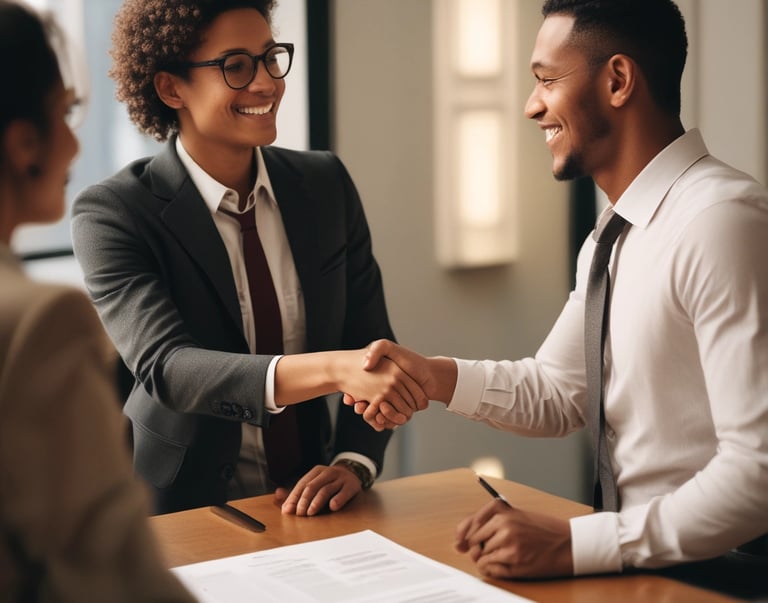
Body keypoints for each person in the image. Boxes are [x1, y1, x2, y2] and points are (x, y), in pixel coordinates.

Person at [349, 0, 768, 590]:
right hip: (637, 569)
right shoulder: (611, 235)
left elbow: (758, 473)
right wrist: (431, 376)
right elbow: (559, 391)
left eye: (546, 80)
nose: (531, 106)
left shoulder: (721, 222)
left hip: (723, 578)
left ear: (618, 81)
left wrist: (576, 541)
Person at [70, 0, 425, 517]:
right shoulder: (113, 212)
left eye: (270, 57)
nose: (267, 83)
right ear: (171, 88)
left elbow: (371, 347)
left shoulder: (325, 185)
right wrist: (333, 370)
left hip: (309, 503)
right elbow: (170, 368)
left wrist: (352, 464)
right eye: (235, 66)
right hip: (178, 511)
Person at [0, 2, 197, 600]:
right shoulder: (41, 323)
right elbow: (117, 574)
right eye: (66, 112)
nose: (74, 143)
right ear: (23, 142)